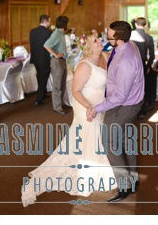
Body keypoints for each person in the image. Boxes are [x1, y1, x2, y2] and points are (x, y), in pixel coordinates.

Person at [21, 32, 115, 206]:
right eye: (95, 41)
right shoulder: (84, 66)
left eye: (99, 39)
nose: (100, 42)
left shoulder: (105, 55)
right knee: (88, 134)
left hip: (100, 105)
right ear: (87, 46)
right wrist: (88, 107)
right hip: (85, 105)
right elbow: (75, 91)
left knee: (97, 135)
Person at [88, 21, 145, 203]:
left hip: (125, 105)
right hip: (129, 101)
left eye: (109, 36)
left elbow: (120, 96)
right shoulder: (128, 45)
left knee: (110, 142)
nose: (107, 38)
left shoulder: (126, 61)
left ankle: (124, 186)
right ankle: (132, 179)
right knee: (126, 140)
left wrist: (96, 108)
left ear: (119, 39)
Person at [130, 17, 156, 117]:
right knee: (141, 88)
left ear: (136, 24)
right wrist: (148, 66)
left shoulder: (129, 36)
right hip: (142, 64)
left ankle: (130, 110)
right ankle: (140, 111)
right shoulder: (149, 37)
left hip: (130, 64)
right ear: (145, 25)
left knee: (130, 87)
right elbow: (152, 56)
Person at [44, 16, 69, 114]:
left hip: (62, 61)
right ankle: (57, 107)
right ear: (65, 24)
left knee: (62, 84)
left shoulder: (61, 33)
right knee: (57, 85)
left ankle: (60, 104)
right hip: (57, 61)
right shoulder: (56, 34)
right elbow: (46, 45)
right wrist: (55, 54)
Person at [29, 14, 52, 106]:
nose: (50, 23)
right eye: (50, 21)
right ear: (46, 21)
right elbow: (49, 46)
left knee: (40, 76)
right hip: (45, 58)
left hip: (35, 58)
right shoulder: (48, 32)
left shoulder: (33, 31)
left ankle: (43, 92)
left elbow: (32, 45)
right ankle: (38, 98)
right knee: (44, 78)